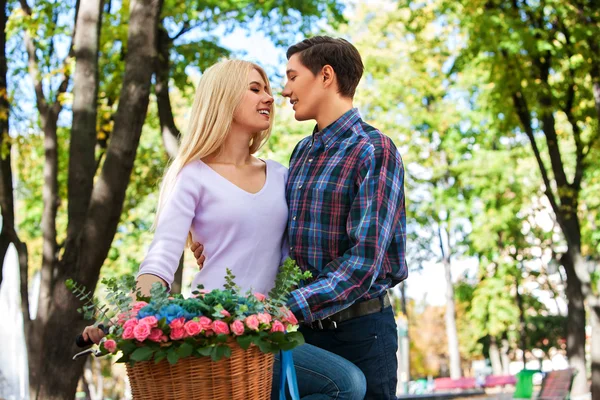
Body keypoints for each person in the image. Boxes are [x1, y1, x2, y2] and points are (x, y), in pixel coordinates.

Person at [81, 59, 366, 400]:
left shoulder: (282, 176)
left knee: (346, 384)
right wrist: (127, 312)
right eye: (255, 89)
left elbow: (299, 248)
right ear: (224, 97)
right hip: (215, 333)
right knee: (346, 384)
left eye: (269, 91)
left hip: (266, 330)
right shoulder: (192, 175)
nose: (270, 99)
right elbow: (161, 258)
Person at [193, 36, 408, 400]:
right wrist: (220, 247)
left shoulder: (373, 149)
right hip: (302, 331)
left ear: (326, 76)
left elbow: (363, 263)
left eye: (292, 77)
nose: (284, 89)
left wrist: (282, 309)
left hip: (361, 331)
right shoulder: (303, 152)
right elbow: (277, 236)